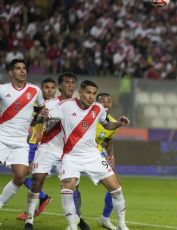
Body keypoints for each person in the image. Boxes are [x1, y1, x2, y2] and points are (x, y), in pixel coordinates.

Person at [40, 80, 130, 230]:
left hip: (92, 155)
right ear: (80, 92)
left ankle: (121, 224)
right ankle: (72, 227)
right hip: (70, 156)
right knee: (67, 190)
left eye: (94, 93)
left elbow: (107, 124)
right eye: (88, 92)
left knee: (116, 188)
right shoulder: (65, 106)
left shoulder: (98, 108)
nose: (91, 96)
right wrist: (42, 117)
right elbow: (45, 117)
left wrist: (119, 123)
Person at [23, 73, 91, 230]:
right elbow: (39, 120)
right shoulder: (51, 103)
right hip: (48, 147)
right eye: (67, 82)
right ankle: (29, 219)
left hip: (67, 152)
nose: (70, 85)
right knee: (37, 182)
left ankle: (78, 218)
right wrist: (44, 118)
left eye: (73, 82)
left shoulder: (80, 105)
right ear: (60, 86)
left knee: (73, 187)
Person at [0, 59, 44, 209]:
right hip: (2, 138)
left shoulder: (35, 90)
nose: (22, 71)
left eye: (24, 68)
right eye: (18, 68)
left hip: (20, 141)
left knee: (20, 176)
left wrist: (36, 125)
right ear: (11, 72)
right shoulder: (3, 89)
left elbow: (41, 111)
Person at [17, 78, 56, 221]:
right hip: (30, 143)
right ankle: (37, 204)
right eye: (46, 87)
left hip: (39, 145)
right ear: (41, 89)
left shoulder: (57, 105)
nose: (50, 90)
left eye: (52, 87)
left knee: (22, 176)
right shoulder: (35, 103)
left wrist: (39, 134)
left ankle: (40, 202)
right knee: (24, 177)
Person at [96, 92, 121, 230]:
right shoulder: (88, 115)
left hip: (97, 154)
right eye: (102, 101)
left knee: (116, 185)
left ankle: (105, 218)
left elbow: (107, 140)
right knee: (72, 184)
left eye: (109, 101)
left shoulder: (112, 122)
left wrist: (111, 155)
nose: (106, 104)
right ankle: (74, 221)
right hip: (77, 153)